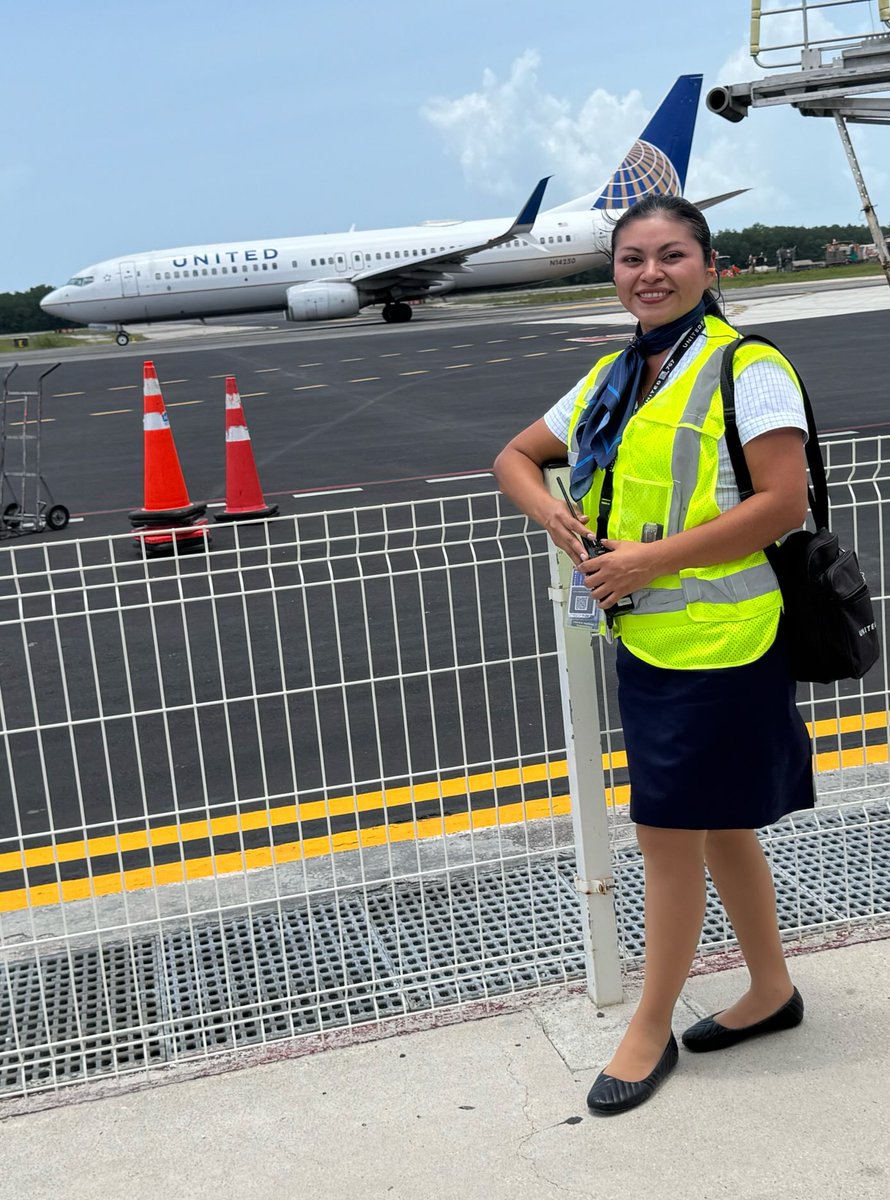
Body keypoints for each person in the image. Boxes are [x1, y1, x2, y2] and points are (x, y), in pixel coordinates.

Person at [493, 194, 815, 1116]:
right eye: (631, 259)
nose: (650, 273)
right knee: (717, 827)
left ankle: (648, 1026)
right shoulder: (614, 376)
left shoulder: (746, 368)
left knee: (668, 834)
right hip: (652, 639)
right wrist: (559, 517)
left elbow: (780, 503)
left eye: (672, 255)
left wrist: (646, 561)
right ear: (616, 275)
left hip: (724, 638)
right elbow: (514, 456)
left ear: (711, 268)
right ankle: (772, 991)